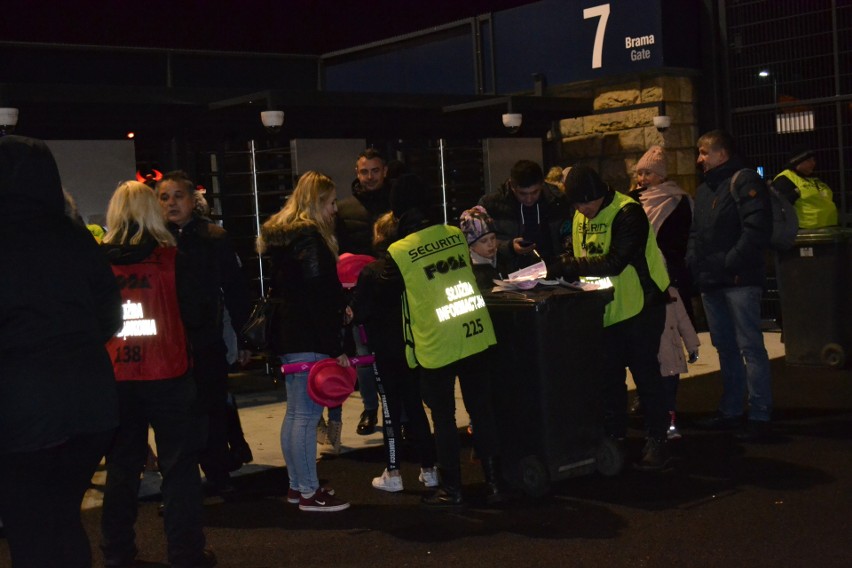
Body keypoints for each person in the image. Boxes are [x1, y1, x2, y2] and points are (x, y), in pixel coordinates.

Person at [0, 135, 122, 568]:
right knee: (64, 518)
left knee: (28, 526)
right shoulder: (72, 235)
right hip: (90, 398)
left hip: (21, 402)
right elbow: (112, 314)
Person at [100, 180, 216, 567]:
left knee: (121, 468)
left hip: (117, 377)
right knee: (180, 469)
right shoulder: (173, 258)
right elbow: (199, 313)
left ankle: (117, 551)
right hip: (169, 373)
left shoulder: (99, 262)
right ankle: (185, 553)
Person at [381, 173, 507, 507]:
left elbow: (383, 288)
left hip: (437, 341)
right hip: (474, 329)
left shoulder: (398, 250)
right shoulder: (453, 233)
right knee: (482, 411)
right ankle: (495, 483)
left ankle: (451, 488)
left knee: (445, 419)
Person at [547, 165, 672, 470]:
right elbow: (581, 251)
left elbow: (616, 261)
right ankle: (615, 437)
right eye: (575, 204)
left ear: (599, 194)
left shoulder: (628, 212)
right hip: (604, 310)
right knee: (608, 380)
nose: (581, 210)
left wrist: (568, 265)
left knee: (646, 377)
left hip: (641, 305)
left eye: (585, 203)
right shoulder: (579, 216)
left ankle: (657, 438)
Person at [257, 170, 352, 512]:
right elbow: (318, 297)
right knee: (306, 416)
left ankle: (298, 487)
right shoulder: (311, 239)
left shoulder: (284, 238)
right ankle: (310, 491)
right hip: (308, 335)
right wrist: (336, 346)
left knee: (295, 413)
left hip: (289, 333)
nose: (334, 210)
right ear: (316, 202)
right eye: (329, 203)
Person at [155, 171, 253, 494]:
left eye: (177, 196)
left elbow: (235, 290)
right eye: (164, 197)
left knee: (211, 410)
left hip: (205, 339)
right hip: (167, 343)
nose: (171, 203)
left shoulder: (214, 237)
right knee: (174, 416)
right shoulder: (154, 240)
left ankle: (218, 475)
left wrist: (245, 337)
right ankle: (180, 483)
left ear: (192, 200)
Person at [687, 129, 774, 441]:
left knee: (749, 346)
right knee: (726, 347)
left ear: (721, 154)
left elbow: (756, 229)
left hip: (737, 280)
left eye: (704, 152)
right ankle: (732, 410)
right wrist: (696, 262)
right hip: (713, 281)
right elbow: (697, 233)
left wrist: (728, 263)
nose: (699, 159)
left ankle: (760, 414)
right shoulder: (706, 189)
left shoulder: (743, 181)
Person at [350, 210, 439, 493]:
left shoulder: (371, 272)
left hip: (384, 350)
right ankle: (429, 469)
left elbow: (359, 311)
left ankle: (394, 471)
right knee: (416, 408)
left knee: (390, 410)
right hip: (413, 345)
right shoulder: (413, 266)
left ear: (378, 237)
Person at [628, 145, 697, 434]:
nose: (642, 177)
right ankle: (649, 400)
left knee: (667, 348)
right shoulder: (631, 201)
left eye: (647, 172)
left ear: (660, 175)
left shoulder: (677, 201)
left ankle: (667, 407)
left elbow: (678, 243)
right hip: (639, 280)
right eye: (639, 172)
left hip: (668, 279)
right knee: (644, 349)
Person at [336, 149, 393, 436]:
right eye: (364, 171)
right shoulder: (345, 209)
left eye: (374, 170)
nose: (369, 177)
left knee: (394, 355)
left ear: (384, 171)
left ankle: (397, 412)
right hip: (358, 294)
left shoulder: (397, 204)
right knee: (362, 355)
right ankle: (370, 409)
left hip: (392, 290)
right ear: (357, 173)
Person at [478, 159, 572, 272]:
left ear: (542, 184)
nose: (529, 199)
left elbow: (568, 233)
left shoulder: (558, 201)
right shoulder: (492, 205)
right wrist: (509, 247)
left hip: (553, 272)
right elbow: (477, 244)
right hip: (508, 274)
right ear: (512, 186)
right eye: (522, 194)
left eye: (535, 192)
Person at [772, 146, 838, 229]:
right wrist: (792, 195)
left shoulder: (814, 179)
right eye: (808, 160)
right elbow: (778, 205)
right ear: (797, 162)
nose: (813, 163)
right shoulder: (785, 179)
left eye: (813, 160)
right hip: (805, 233)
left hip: (829, 230)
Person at [458, 205, 512, 291]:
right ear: (471, 245)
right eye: (483, 241)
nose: (490, 244)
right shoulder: (470, 271)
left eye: (493, 238)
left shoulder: (501, 259)